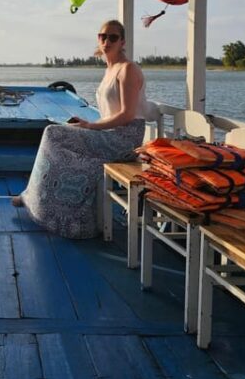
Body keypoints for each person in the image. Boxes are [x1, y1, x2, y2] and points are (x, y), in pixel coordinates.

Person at [12, 20, 148, 238]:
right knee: (59, 133)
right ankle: (51, 199)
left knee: (52, 134)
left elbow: (127, 115)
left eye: (113, 37)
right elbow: (111, 113)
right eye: (103, 36)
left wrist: (90, 126)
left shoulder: (128, 69)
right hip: (110, 133)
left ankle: (48, 204)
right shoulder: (110, 69)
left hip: (125, 139)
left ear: (122, 42)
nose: (107, 41)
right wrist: (85, 124)